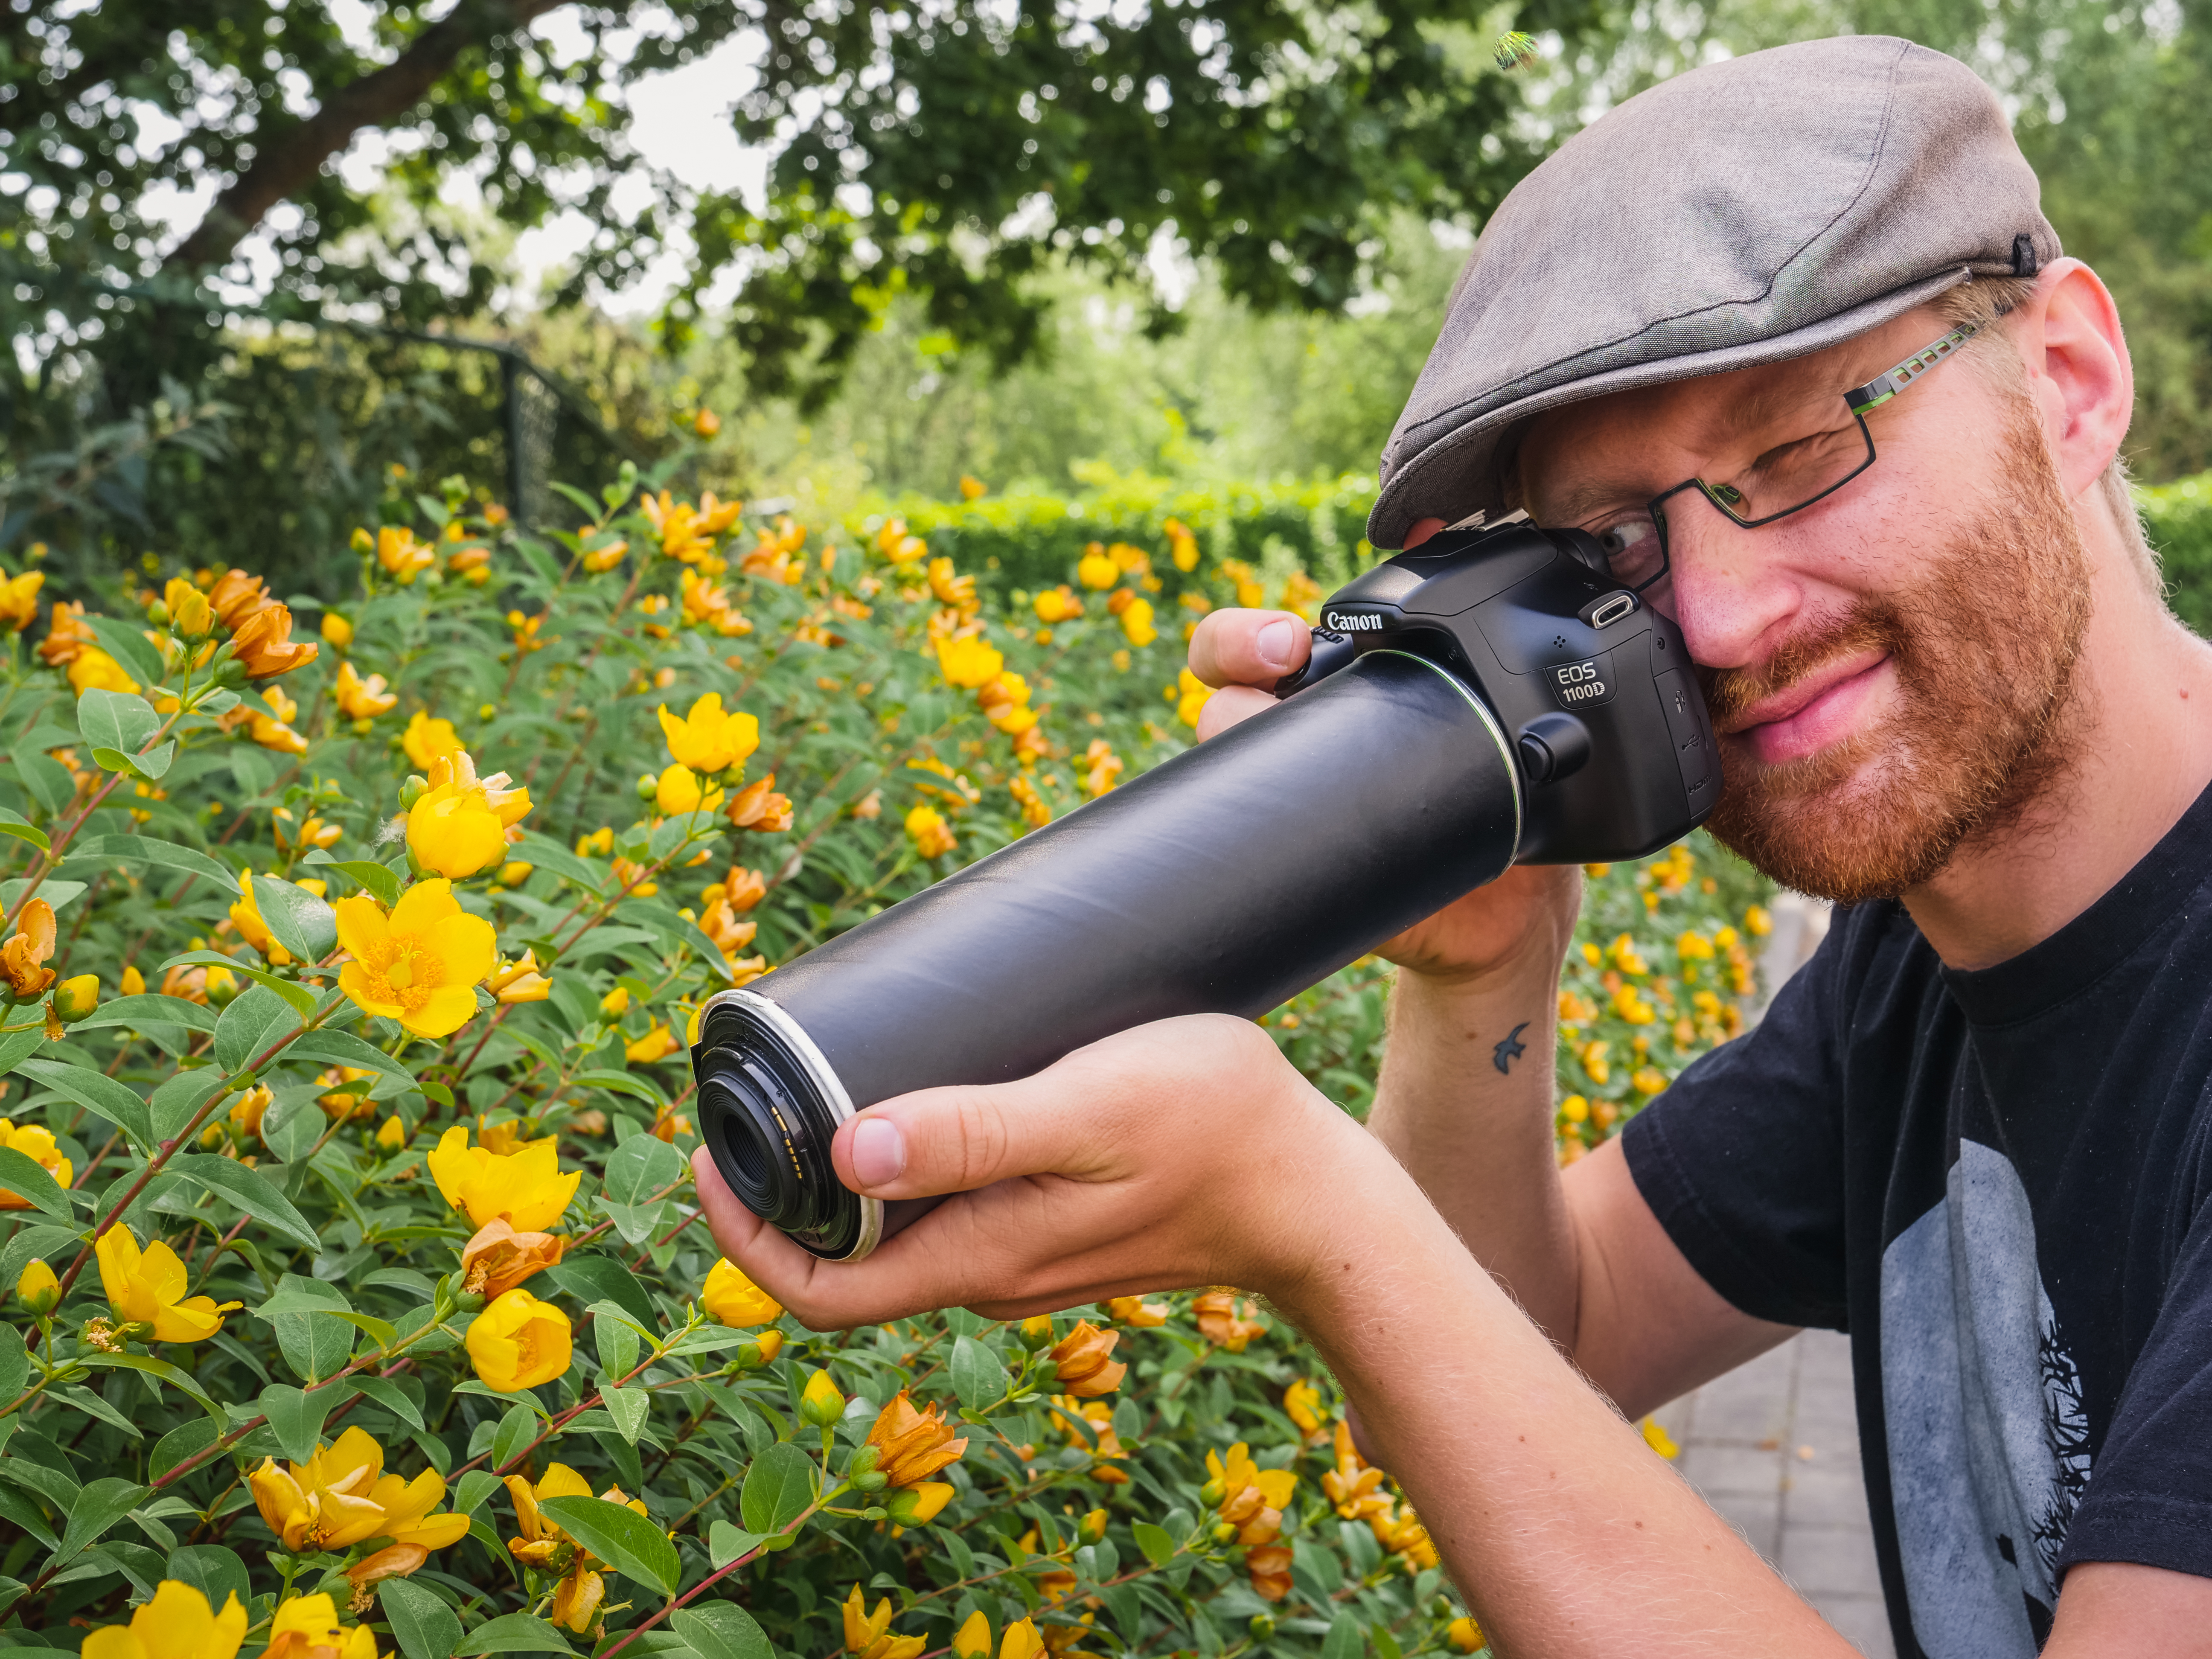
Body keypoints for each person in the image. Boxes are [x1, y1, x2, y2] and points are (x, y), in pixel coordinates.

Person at [696, 35, 2212, 1659]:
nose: (1715, 613)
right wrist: (1478, 960)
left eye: (1797, 448)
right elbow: (1547, 1343)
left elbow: (1435, 1323)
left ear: (2069, 380)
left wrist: (1312, 1212)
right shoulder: (1922, 963)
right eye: (1620, 542)